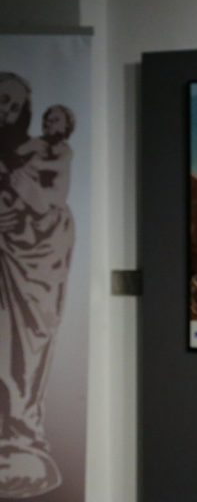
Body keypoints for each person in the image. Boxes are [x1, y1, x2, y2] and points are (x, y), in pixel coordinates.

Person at [0, 76, 75, 498]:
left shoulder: (44, 153)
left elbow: (54, 207)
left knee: (25, 344)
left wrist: (28, 221)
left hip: (30, 268)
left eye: (13, 105)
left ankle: (21, 434)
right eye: (0, 102)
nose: (5, 111)